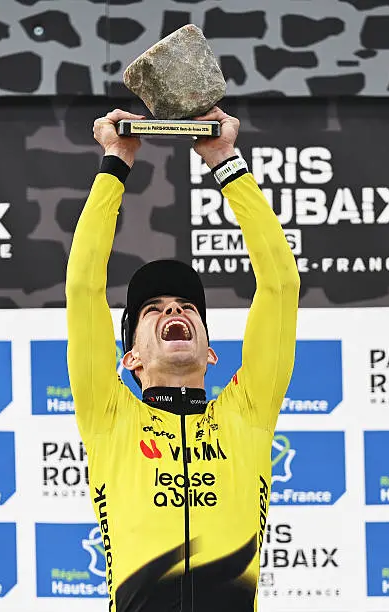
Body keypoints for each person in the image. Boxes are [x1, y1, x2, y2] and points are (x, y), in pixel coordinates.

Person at [66, 107, 300, 612]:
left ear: (210, 352)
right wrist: (116, 162)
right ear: (130, 358)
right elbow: (84, 289)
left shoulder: (248, 412)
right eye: (152, 309)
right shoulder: (109, 417)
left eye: (186, 306)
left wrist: (226, 161)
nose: (173, 310)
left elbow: (280, 286)